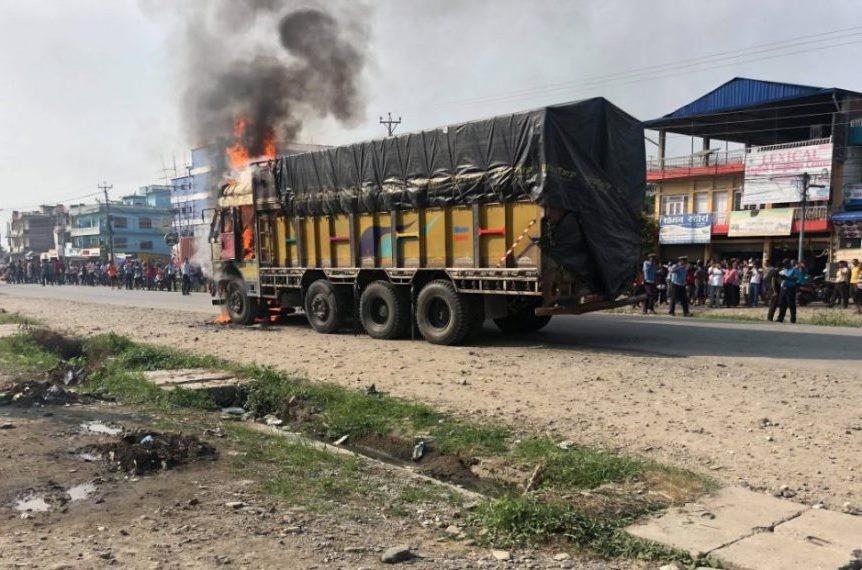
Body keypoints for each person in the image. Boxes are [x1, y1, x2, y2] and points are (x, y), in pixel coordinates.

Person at [776, 258, 802, 323]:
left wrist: (787, 278)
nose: (784, 266)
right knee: (782, 304)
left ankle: (793, 319)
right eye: (783, 264)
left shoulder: (794, 270)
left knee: (791, 304)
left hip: (790, 288)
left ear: (789, 263)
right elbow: (778, 278)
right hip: (783, 289)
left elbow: (796, 279)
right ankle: (780, 318)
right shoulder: (783, 270)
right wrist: (780, 279)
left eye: (785, 264)